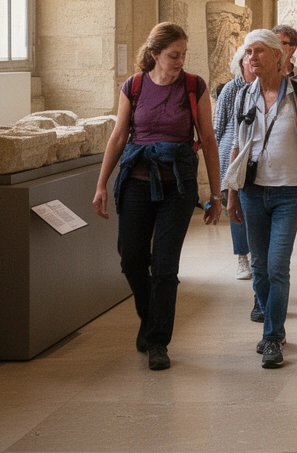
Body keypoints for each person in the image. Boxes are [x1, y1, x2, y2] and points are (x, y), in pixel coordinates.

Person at [92, 22, 222, 372]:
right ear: (154, 54)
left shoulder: (194, 87)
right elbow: (119, 137)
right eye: (173, 55)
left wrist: (216, 194)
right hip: (136, 180)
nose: (180, 61)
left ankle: (158, 342)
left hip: (177, 187)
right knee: (131, 258)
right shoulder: (133, 86)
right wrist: (102, 184)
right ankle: (150, 321)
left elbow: (208, 140)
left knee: (164, 266)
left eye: (183, 54)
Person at [222, 29, 297, 369]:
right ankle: (273, 323)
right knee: (259, 267)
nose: (252, 58)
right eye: (248, 53)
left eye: (259, 51)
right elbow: (236, 146)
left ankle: (273, 337)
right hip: (251, 191)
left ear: (279, 56)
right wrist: (230, 192)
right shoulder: (244, 96)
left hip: (289, 193)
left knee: (276, 266)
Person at [213, 43, 254, 283]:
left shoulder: (264, 86)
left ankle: (258, 255)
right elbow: (219, 125)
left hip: (256, 155)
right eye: (248, 58)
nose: (252, 62)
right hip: (231, 153)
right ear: (241, 64)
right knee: (235, 206)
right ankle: (242, 256)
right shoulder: (231, 89)